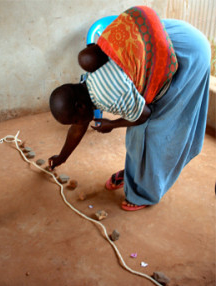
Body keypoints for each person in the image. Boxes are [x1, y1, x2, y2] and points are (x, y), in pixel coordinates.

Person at [48, 6, 211, 211]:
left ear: (80, 107)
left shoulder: (109, 96)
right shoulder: (88, 79)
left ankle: (145, 193)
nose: (76, 124)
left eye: (74, 119)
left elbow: (144, 115)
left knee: (155, 133)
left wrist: (112, 124)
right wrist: (61, 157)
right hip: (168, 37)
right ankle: (134, 173)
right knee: (136, 134)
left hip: (187, 54)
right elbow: (79, 127)